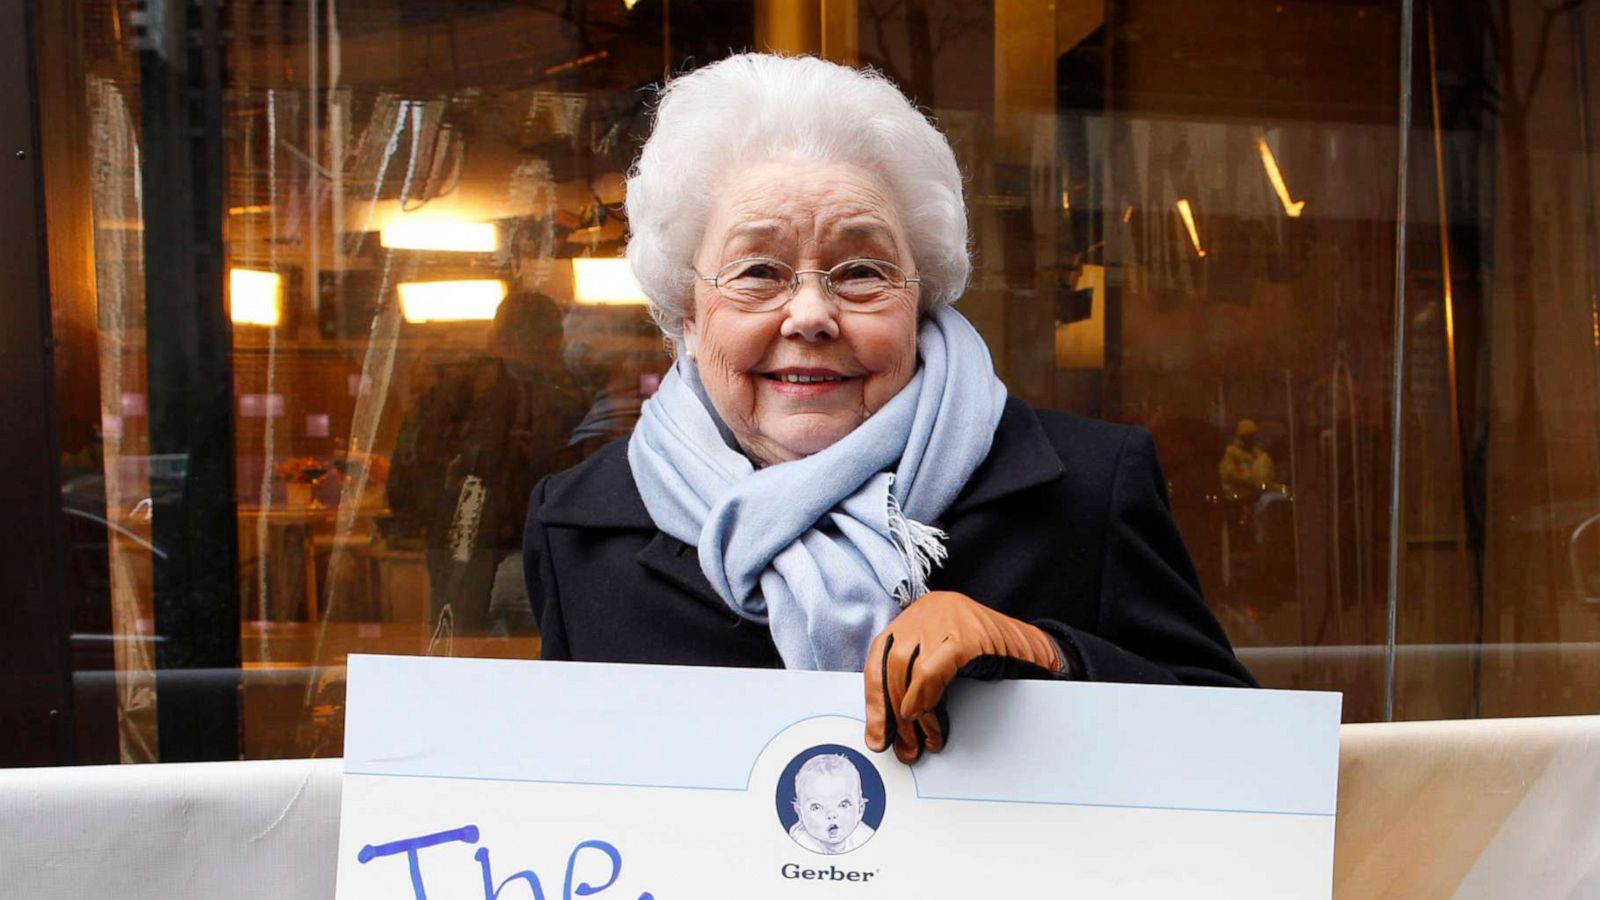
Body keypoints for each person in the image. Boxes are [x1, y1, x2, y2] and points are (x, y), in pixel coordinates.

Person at [523, 53, 1254, 766]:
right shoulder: (580, 526)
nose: (810, 314)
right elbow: (564, 795)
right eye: (758, 271)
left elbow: (1246, 758)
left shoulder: (1090, 486)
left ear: (921, 294)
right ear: (688, 307)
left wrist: (1048, 653)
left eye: (863, 271)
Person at [389, 291, 588, 639]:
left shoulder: (452, 391)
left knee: (458, 648)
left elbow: (405, 479)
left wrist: (430, 522)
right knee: (540, 658)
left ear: (494, 335)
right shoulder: (568, 400)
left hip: (462, 544)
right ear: (556, 339)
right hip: (541, 549)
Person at [787, 754, 875, 854]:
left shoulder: (864, 836)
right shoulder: (799, 842)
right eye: (816, 807)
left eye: (843, 804)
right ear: (800, 813)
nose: (831, 815)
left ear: (860, 810)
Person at [1217, 418, 1276, 500]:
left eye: (1252, 435)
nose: (1251, 438)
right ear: (1241, 436)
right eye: (1248, 435)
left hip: (1256, 494)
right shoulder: (1230, 453)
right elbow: (1228, 474)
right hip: (1237, 497)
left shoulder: (1258, 453)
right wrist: (1250, 480)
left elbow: (1266, 472)